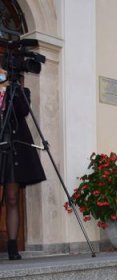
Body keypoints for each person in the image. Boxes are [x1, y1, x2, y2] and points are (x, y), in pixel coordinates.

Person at [0, 66, 46, 260]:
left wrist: (10, 89)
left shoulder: (18, 91)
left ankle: (12, 246)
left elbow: (23, 111)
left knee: (12, 198)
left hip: (11, 149)